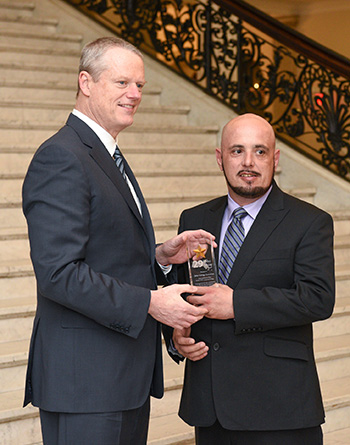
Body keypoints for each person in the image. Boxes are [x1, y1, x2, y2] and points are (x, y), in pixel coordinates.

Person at [22, 37, 214, 445]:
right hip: (86, 384)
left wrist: (160, 256)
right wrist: (149, 302)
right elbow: (58, 273)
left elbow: (105, 253)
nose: (134, 94)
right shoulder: (62, 156)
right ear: (86, 82)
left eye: (140, 85)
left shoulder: (104, 154)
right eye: (122, 82)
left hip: (119, 378)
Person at [165, 113, 335, 444]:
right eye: (237, 151)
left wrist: (236, 304)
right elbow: (186, 292)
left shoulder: (309, 221)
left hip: (279, 408)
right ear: (220, 158)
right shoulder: (195, 218)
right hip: (210, 406)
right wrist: (176, 335)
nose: (249, 162)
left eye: (260, 151)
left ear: (275, 158)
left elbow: (318, 298)